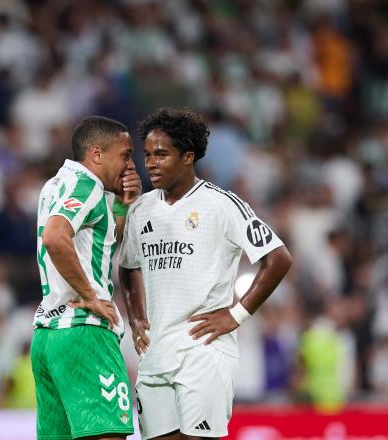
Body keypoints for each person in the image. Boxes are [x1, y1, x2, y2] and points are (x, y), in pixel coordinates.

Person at [119, 108, 292, 439]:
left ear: (187, 157)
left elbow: (278, 258)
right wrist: (137, 318)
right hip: (155, 353)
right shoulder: (141, 209)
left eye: (161, 154)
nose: (151, 163)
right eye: (148, 155)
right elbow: (127, 266)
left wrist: (236, 314)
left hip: (204, 350)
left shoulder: (222, 204)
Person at [32, 116, 141, 440]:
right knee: (108, 434)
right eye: (125, 154)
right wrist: (90, 294)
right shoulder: (87, 187)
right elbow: (55, 237)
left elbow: (98, 242)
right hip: (85, 331)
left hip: (48, 334)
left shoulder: (55, 185)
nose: (129, 165)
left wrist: (124, 205)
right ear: (96, 153)